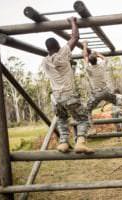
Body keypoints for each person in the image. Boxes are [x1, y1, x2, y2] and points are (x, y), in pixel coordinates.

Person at [40, 17, 94, 153]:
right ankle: (80, 141)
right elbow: (75, 37)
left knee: (62, 119)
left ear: (47, 49)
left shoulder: (45, 61)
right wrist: (73, 22)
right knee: (83, 118)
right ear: (58, 46)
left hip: (56, 99)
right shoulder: (63, 53)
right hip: (69, 95)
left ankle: (63, 142)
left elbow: (51, 54)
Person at [82, 41, 122, 124]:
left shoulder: (89, 69)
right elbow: (106, 59)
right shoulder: (101, 66)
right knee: (115, 100)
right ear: (96, 60)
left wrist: (84, 45)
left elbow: (85, 56)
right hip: (106, 90)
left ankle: (91, 127)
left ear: (89, 62)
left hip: (97, 93)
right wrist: (98, 54)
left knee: (87, 110)